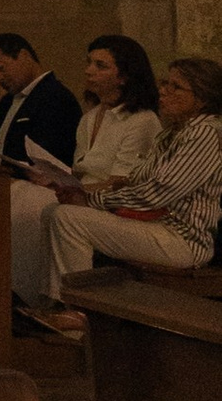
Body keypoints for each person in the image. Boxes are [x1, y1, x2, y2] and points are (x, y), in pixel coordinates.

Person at [27, 54, 222, 334]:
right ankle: (61, 306)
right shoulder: (173, 133)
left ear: (202, 98)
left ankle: (78, 317)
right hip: (157, 227)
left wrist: (93, 200)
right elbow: (136, 180)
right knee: (55, 211)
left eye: (175, 87)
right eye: (164, 83)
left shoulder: (203, 131)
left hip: (182, 238)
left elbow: (158, 193)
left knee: (69, 218)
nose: (163, 91)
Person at [5, 31, 160, 305]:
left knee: (49, 210)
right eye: (89, 62)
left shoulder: (141, 120)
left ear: (123, 76)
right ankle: (22, 291)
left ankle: (63, 300)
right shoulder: (90, 118)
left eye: (101, 66)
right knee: (19, 192)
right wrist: (51, 176)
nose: (89, 71)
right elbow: (80, 170)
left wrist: (75, 189)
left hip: (114, 204)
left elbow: (122, 182)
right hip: (84, 194)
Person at [0, 31, 80, 170]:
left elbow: (44, 157)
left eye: (0, 68)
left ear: (24, 56)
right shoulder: (8, 101)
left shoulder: (55, 98)